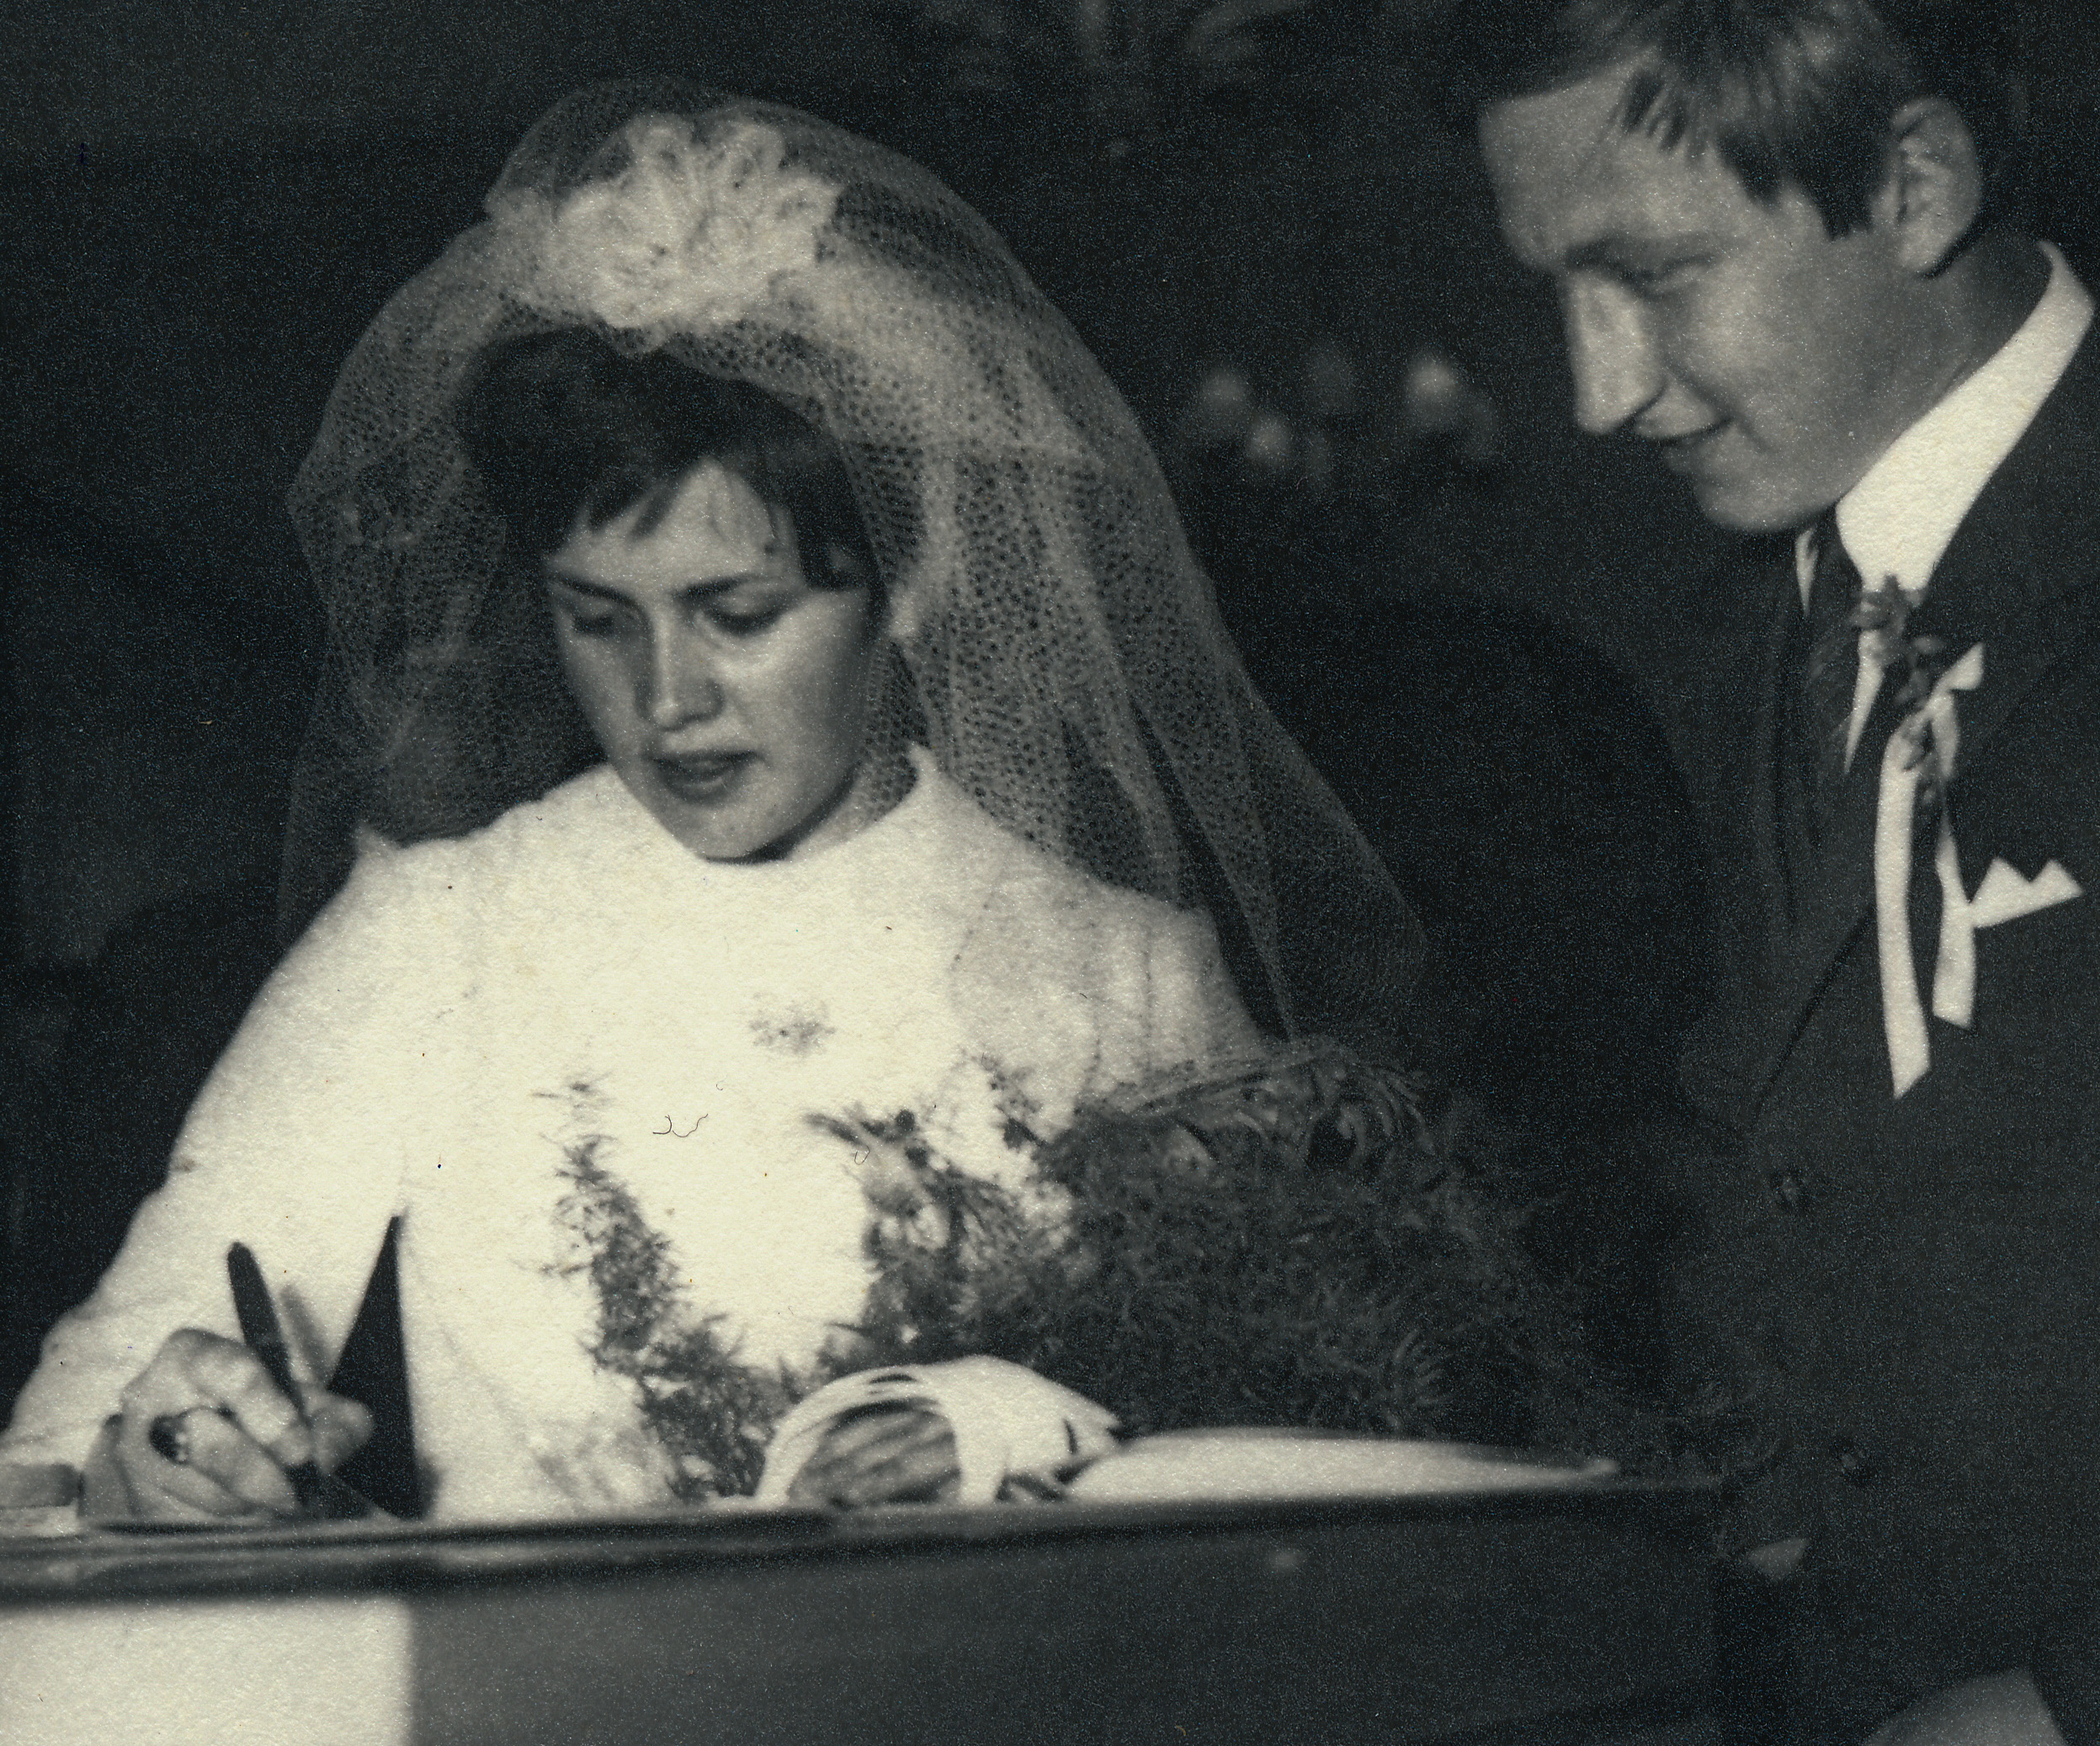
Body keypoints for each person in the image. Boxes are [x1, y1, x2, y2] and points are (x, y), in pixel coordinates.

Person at [0, 82, 1420, 1525]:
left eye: (737, 614)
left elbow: (1299, 1461)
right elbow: (65, 1442)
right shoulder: (441, 932)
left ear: (910, 580)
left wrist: (1012, 1428)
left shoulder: (1127, 974)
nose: (665, 698)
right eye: (598, 619)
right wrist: (159, 1461)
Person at [1441, 0, 2100, 1746]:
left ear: (1913, 185)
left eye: (1655, 275)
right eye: (1553, 293)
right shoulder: (1757, 622)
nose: (1595, 392)